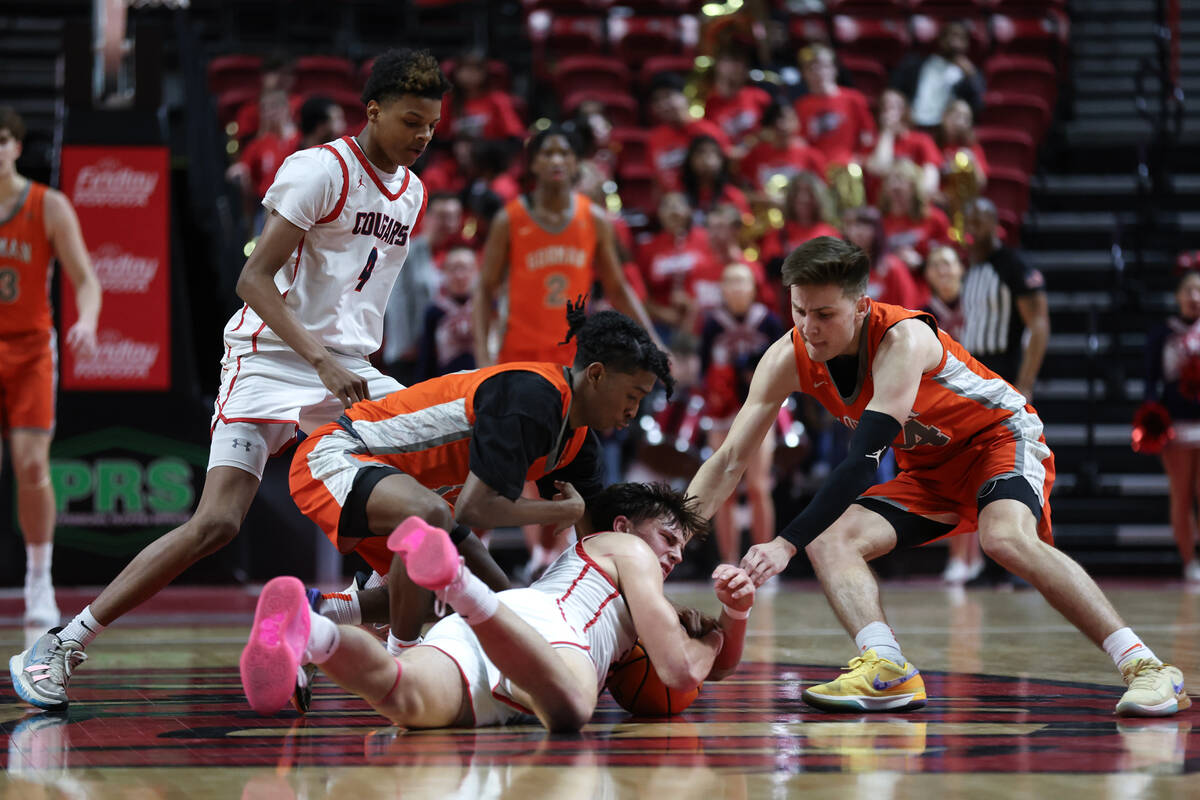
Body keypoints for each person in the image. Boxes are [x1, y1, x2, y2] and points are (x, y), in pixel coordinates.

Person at [10, 49, 451, 713]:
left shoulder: (414, 192)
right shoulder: (319, 170)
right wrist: (320, 359)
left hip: (349, 368)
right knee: (216, 523)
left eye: (432, 127)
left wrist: (341, 364)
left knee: (434, 488)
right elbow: (252, 280)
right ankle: (62, 643)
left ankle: (350, 626)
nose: (422, 137)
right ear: (374, 110)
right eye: (411, 121)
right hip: (270, 357)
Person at [688, 236, 1189, 717]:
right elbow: (730, 458)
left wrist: (784, 543)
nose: (809, 328)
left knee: (1004, 539)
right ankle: (886, 667)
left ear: (861, 306)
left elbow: (863, 462)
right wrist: (667, 540)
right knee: (830, 542)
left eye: (825, 315)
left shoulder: (903, 339)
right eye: (799, 311)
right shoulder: (787, 355)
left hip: (997, 439)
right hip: (930, 468)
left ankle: (1147, 666)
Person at [291, 304, 674, 652]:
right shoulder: (533, 397)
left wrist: (662, 616)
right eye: (632, 395)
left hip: (420, 503)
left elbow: (596, 546)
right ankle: (404, 660)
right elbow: (475, 508)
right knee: (432, 520)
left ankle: (317, 613)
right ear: (596, 374)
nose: (633, 411)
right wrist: (555, 511)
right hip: (340, 453)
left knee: (498, 608)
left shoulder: (578, 444)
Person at [239, 483, 756, 730]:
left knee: (402, 697)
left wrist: (735, 614)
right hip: (553, 632)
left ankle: (312, 632)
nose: (673, 555)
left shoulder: (637, 590)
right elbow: (680, 669)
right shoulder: (627, 552)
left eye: (682, 550)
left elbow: (718, 670)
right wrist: (711, 636)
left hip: (504, 631)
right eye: (667, 538)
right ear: (623, 528)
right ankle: (460, 586)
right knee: (574, 709)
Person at [0, 106, 102, 628]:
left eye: (2, 140)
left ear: (16, 146)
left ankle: (38, 578)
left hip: (30, 347)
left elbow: (86, 279)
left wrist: (85, 321)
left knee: (32, 466)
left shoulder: (47, 204)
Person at [474, 124, 658, 367]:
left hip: (573, 358)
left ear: (576, 163)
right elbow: (485, 290)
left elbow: (617, 288)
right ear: (533, 164)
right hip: (517, 356)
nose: (556, 160)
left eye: (565, 153)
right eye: (547, 154)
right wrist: (482, 354)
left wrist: (654, 343)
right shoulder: (509, 219)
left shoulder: (595, 218)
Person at [697, 263, 786, 566]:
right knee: (723, 490)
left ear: (753, 288)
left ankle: (763, 564)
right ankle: (729, 562)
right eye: (730, 282)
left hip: (761, 411)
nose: (736, 288)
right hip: (723, 414)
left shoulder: (769, 322)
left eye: (742, 282)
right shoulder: (712, 324)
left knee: (760, 486)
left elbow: (784, 367)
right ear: (721, 289)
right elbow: (702, 372)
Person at [921, 245, 982, 584]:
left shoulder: (981, 307)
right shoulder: (923, 314)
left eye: (948, 263)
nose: (943, 270)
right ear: (928, 275)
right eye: (935, 265)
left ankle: (971, 558)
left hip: (981, 399)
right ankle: (960, 557)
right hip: (941, 404)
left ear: (962, 268)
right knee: (953, 484)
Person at [1143, 264, 1200, 582]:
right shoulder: (1163, 333)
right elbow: (1150, 381)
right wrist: (1152, 414)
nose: (1194, 297)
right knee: (1181, 495)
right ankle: (1189, 561)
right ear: (1177, 296)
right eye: (1188, 291)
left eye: (1199, 291)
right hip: (1176, 425)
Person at [961, 197, 1048, 400]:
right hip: (971, 371)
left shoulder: (1013, 265)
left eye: (978, 222)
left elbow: (1039, 324)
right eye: (969, 222)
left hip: (1004, 371)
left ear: (993, 223)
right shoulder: (970, 268)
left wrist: (1025, 383)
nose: (972, 229)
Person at [889, 20, 986, 129]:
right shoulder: (915, 65)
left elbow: (978, 106)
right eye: (950, 35)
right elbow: (894, 90)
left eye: (960, 38)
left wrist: (971, 77)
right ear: (940, 39)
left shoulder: (970, 74)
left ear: (967, 44)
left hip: (945, 130)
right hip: (913, 125)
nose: (953, 42)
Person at [792, 45, 875, 167]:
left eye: (823, 66)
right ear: (804, 74)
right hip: (816, 168)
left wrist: (859, 158)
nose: (818, 72)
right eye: (811, 68)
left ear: (834, 69)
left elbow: (868, 134)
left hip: (848, 165)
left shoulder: (853, 99)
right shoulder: (801, 105)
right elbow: (800, 142)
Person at [647, 73, 732, 192]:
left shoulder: (708, 131)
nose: (663, 105)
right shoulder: (654, 139)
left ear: (685, 97)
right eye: (657, 100)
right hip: (673, 205)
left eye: (668, 96)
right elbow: (656, 181)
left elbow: (728, 171)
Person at [416, 245, 479, 381]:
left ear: (476, 271)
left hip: (484, 382)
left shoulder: (489, 308)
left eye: (465, 268)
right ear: (443, 273)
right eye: (453, 269)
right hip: (446, 386)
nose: (460, 275)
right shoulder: (435, 311)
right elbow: (426, 361)